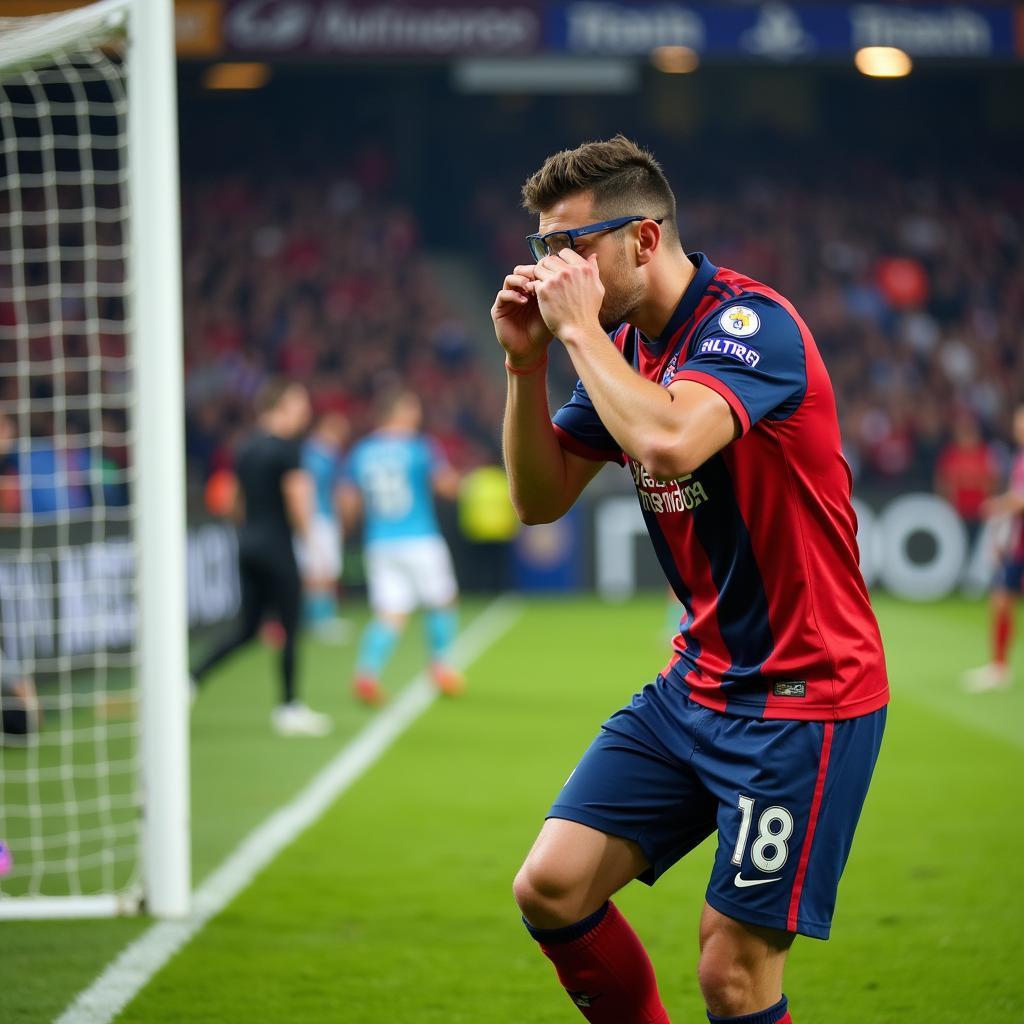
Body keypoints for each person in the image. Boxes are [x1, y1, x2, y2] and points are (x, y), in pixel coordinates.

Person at [493, 136, 889, 1024]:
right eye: (541, 251)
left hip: (803, 696)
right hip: (698, 684)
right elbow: (539, 495)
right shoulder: (624, 344)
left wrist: (579, 335)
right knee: (551, 887)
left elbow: (670, 439)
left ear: (641, 238)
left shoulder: (754, 326)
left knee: (733, 971)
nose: (554, 271)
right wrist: (526, 362)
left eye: (571, 246)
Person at [190, 379, 331, 737]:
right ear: (281, 404)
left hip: (248, 543)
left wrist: (250, 530)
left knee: (248, 629)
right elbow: (297, 500)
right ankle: (289, 707)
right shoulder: (288, 449)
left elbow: (233, 501)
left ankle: (190, 679)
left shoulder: (245, 446)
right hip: (277, 546)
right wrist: (313, 544)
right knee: (291, 626)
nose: (306, 411)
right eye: (299, 403)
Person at [340, 389, 463, 705]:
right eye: (413, 409)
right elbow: (445, 485)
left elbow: (348, 500)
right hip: (420, 538)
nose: (417, 414)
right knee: (441, 601)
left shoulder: (361, 451)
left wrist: (347, 528)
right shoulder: (419, 447)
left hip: (380, 542)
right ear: (399, 412)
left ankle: (366, 674)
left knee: (390, 614)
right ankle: (441, 667)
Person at [963, 403, 1024, 692]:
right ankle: (999, 666)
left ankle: (1000, 666)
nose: (1018, 425)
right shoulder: (1018, 457)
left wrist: (996, 507)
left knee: (1001, 600)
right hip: (1019, 544)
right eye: (1017, 419)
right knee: (1001, 600)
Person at [298, 410, 350, 643]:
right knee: (316, 569)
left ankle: (325, 616)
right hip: (315, 517)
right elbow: (305, 488)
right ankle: (317, 619)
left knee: (326, 568)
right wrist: (305, 521)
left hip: (326, 516)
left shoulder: (329, 455)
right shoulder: (312, 454)